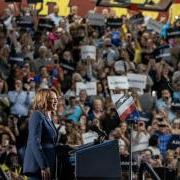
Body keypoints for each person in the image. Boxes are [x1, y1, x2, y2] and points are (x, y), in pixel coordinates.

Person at [23, 88, 59, 180]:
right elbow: (34, 142)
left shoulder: (48, 118)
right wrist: (43, 165)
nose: (56, 101)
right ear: (44, 100)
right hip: (39, 168)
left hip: (49, 166)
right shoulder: (37, 115)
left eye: (57, 99)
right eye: (52, 99)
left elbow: (51, 143)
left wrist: (71, 147)